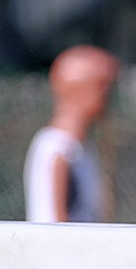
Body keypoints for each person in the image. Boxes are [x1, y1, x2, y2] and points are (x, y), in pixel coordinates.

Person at [24, 45, 118, 223]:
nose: (109, 96)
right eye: (103, 86)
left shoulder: (79, 148)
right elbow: (56, 223)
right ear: (79, 89)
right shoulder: (58, 149)